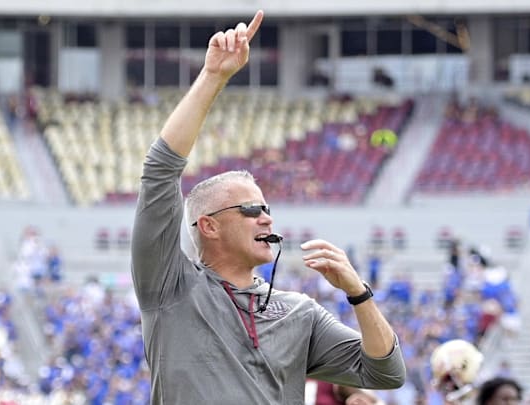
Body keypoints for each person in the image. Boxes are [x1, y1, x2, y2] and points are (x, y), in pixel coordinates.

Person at [131, 10, 405, 404]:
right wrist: (213, 77)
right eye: (249, 209)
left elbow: (386, 372)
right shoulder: (170, 286)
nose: (266, 217)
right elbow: (160, 171)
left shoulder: (299, 312)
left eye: (267, 209)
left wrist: (358, 294)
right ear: (208, 226)